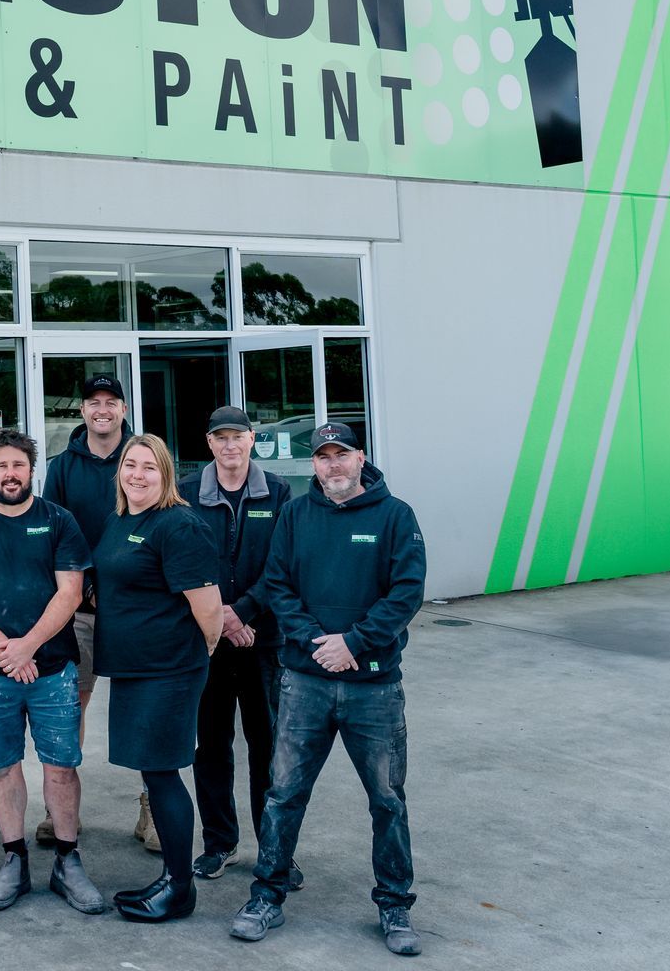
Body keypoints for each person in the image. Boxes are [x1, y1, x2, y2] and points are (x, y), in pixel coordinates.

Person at [230, 422, 427, 956]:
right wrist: (319, 641)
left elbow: (406, 592)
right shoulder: (295, 515)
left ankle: (394, 904)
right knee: (284, 794)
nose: (333, 465)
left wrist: (355, 644)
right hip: (305, 683)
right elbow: (278, 584)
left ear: (361, 458)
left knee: (387, 799)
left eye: (342, 455)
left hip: (374, 689)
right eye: (323, 457)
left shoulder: (395, 516)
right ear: (313, 464)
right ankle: (267, 894)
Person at [0, 429, 104, 915]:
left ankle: (67, 861)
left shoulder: (59, 520)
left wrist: (29, 646)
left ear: (31, 470)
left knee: (61, 765)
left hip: (53, 669)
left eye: (18, 466)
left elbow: (70, 592)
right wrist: (4, 648)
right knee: (2, 765)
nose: (10, 474)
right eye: (1, 466)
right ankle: (14, 860)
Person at [93, 434, 220, 923]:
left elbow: (207, 608)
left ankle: (180, 888)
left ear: (165, 474)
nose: (138, 474)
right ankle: (171, 877)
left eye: (150, 467)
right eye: (130, 464)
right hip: (133, 668)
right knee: (152, 771)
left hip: (168, 671)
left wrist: (198, 652)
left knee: (164, 774)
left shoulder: (178, 524)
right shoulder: (120, 519)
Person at [175, 405, 294, 881]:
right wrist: (220, 619)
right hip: (206, 642)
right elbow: (183, 561)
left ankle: (274, 849)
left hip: (263, 640)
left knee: (268, 747)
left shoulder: (280, 493)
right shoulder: (185, 493)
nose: (229, 446)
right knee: (212, 747)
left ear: (252, 441)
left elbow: (283, 565)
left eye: (237, 437)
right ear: (209, 443)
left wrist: (242, 612)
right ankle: (219, 843)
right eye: (220, 437)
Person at [41, 374, 146, 848]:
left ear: (123, 408)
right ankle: (64, 811)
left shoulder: (142, 459)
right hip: (79, 608)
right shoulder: (63, 466)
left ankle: (153, 809)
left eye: (111, 402)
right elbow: (54, 533)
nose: (102, 410)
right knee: (71, 706)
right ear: (82, 410)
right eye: (93, 402)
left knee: (145, 706)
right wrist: (81, 584)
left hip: (135, 607)